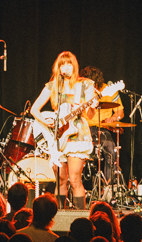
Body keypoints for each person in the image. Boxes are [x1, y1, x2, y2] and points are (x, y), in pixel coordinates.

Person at [31, 51, 96, 209]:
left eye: (69, 64)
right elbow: (34, 109)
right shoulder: (53, 85)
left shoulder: (85, 84)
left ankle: (81, 216)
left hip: (77, 134)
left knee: (74, 179)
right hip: (58, 135)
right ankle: (59, 216)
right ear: (58, 68)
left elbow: (89, 114)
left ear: (74, 66)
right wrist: (47, 122)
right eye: (62, 64)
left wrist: (92, 107)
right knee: (60, 179)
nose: (66, 67)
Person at [79, 66, 125, 186]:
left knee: (111, 148)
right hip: (83, 127)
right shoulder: (80, 90)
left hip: (102, 128)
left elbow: (120, 112)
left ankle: (108, 187)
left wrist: (113, 118)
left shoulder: (108, 90)